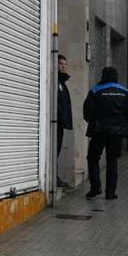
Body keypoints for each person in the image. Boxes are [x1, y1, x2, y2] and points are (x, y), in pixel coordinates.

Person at [81, 66, 128, 200]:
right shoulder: (126, 92)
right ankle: (110, 192)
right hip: (117, 134)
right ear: (116, 77)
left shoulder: (95, 90)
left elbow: (87, 112)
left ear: (103, 76)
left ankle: (95, 187)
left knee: (93, 158)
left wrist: (95, 122)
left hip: (99, 131)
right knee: (113, 162)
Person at [56, 54, 74, 189]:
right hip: (56, 123)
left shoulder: (61, 82)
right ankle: (54, 177)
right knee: (55, 149)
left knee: (57, 150)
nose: (63, 66)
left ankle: (55, 176)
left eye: (65, 64)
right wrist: (61, 116)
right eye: (61, 63)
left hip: (60, 123)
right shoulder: (56, 81)